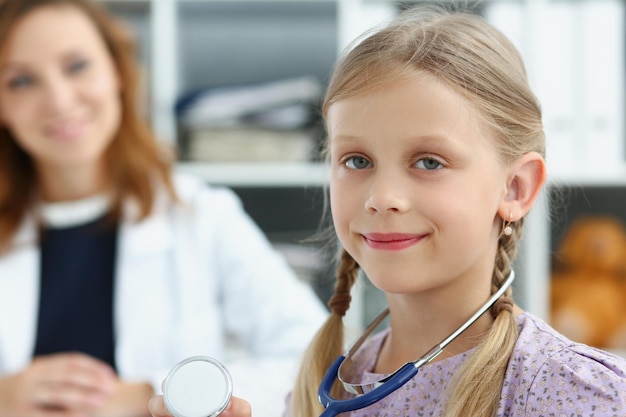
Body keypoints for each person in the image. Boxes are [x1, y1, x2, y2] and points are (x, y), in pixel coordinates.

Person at [145, 5, 626, 417]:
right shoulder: (331, 385)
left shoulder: (577, 395)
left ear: (516, 187)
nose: (382, 196)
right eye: (356, 161)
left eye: (428, 162)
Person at [0, 1, 327, 416]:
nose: (59, 100)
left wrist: (151, 395)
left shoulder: (202, 215)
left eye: (77, 66)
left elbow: (317, 360)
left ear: (118, 72)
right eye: (21, 81)